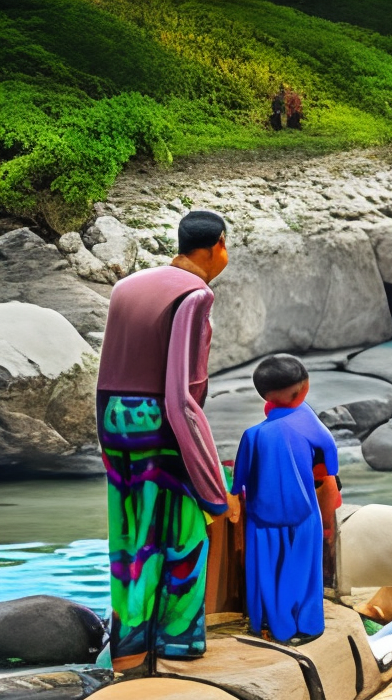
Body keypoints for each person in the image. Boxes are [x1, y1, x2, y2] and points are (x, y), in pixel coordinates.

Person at [96, 209, 239, 671]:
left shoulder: (127, 286)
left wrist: (106, 445)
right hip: (162, 425)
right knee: (185, 534)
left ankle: (130, 646)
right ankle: (177, 642)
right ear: (218, 244)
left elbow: (105, 374)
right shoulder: (195, 295)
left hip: (115, 421)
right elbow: (180, 396)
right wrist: (214, 490)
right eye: (226, 246)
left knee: (131, 536)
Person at [230, 354, 340, 644]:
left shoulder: (252, 435)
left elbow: (239, 479)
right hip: (303, 510)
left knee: (267, 569)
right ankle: (308, 625)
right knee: (303, 568)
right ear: (301, 390)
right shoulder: (308, 420)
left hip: (261, 516)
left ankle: (271, 623)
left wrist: (232, 498)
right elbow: (330, 463)